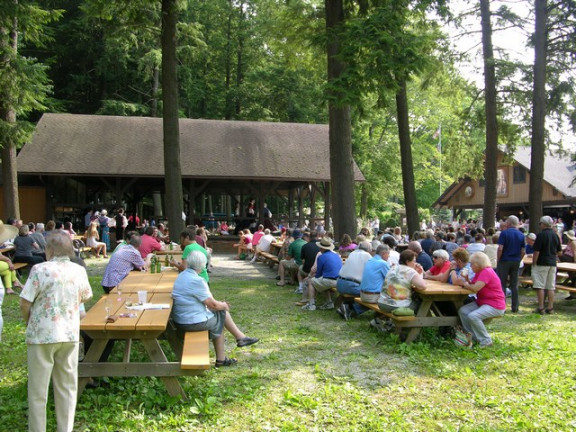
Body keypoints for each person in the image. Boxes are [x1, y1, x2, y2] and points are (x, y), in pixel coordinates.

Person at [19, 230, 93, 432]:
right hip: (69, 334)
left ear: (49, 250)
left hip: (41, 335)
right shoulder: (78, 271)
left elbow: (25, 303)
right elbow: (84, 299)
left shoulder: (39, 269)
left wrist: (29, 322)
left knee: (38, 391)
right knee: (67, 387)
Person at [171, 251, 259, 367]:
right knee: (221, 315)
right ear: (203, 265)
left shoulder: (182, 275)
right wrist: (224, 305)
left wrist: (220, 305)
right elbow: (212, 305)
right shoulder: (197, 281)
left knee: (220, 314)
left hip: (181, 318)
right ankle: (234, 344)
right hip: (190, 322)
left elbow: (210, 303)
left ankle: (239, 340)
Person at [459, 252, 506, 348]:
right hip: (483, 302)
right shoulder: (480, 272)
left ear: (477, 264)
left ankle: (486, 340)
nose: (470, 266)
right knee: (463, 311)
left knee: (473, 316)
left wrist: (466, 284)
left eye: (471, 264)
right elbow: (473, 285)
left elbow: (475, 288)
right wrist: (467, 279)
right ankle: (474, 337)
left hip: (494, 304)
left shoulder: (486, 272)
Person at [340, 244, 390, 320]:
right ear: (383, 253)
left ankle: (350, 308)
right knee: (393, 299)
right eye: (388, 254)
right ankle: (383, 319)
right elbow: (390, 280)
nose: (389, 256)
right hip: (372, 296)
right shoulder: (383, 263)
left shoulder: (370, 260)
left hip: (362, 294)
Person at [378, 249, 426, 314]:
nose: (415, 263)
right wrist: (420, 273)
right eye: (414, 261)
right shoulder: (410, 271)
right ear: (408, 261)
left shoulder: (393, 268)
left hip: (382, 304)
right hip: (398, 306)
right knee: (422, 304)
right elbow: (423, 286)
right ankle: (418, 323)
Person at [532, 216, 562, 314]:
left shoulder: (541, 235)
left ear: (543, 224)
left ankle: (541, 307)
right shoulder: (555, 235)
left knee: (540, 286)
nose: (539, 225)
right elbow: (560, 252)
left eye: (540, 223)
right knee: (550, 286)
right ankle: (550, 307)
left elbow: (537, 251)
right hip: (552, 263)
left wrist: (534, 263)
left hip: (542, 262)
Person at [302, 237, 342, 311]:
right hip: (339, 281)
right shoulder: (336, 255)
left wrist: (310, 276)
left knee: (311, 281)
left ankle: (311, 304)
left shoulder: (321, 257)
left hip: (329, 280)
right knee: (321, 283)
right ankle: (329, 303)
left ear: (322, 248)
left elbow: (318, 275)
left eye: (320, 247)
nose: (319, 249)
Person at [335, 241, 373, 318]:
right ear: (369, 249)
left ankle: (346, 306)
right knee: (371, 297)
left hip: (339, 283)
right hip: (351, 286)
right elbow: (372, 272)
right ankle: (350, 309)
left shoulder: (352, 253)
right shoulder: (367, 255)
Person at [496, 215, 526, 313]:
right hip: (515, 260)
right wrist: (519, 259)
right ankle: (515, 307)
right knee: (514, 284)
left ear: (509, 223)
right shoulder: (521, 235)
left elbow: (500, 248)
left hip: (504, 260)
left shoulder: (504, 233)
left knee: (502, 284)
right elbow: (523, 251)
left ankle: (502, 306)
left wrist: (498, 259)